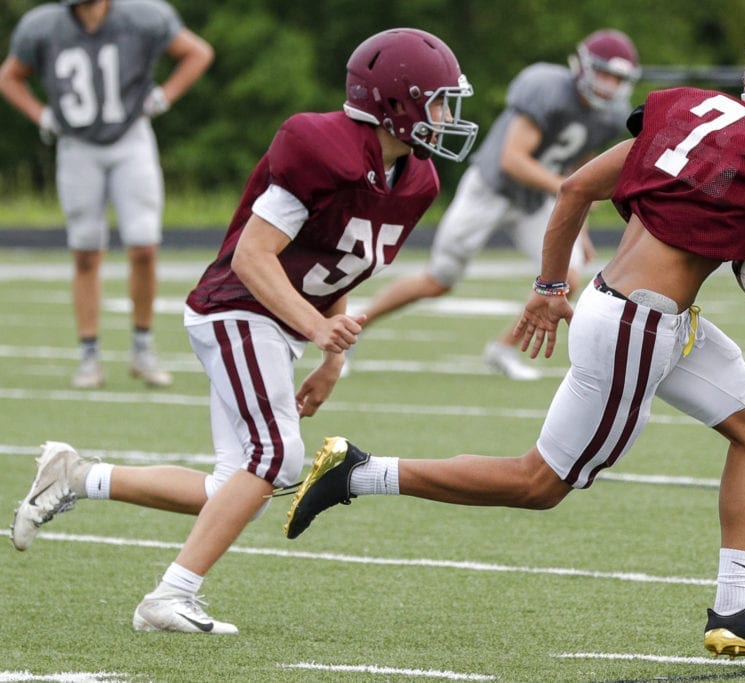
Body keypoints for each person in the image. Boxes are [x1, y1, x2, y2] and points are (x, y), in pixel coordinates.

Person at [281, 17, 745, 661]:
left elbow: (574, 189)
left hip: (636, 313)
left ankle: (735, 608)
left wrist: (549, 284)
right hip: (639, 327)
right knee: (539, 484)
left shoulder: (691, 108)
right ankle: (358, 474)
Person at [8, 27, 478, 635]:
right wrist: (317, 328)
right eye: (438, 100)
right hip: (236, 306)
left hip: (278, 321)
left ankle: (78, 477)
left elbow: (343, 267)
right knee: (278, 458)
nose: (446, 115)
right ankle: (170, 595)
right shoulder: (320, 145)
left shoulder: (417, 181)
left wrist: (330, 357)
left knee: (236, 488)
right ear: (396, 101)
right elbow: (254, 258)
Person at [350, 29, 641, 381]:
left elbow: (580, 166)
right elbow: (513, 160)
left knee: (562, 278)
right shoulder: (547, 87)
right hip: (491, 190)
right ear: (583, 65)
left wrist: (578, 225)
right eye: (605, 73)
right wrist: (570, 192)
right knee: (438, 280)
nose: (610, 85)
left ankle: (502, 349)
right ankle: (353, 328)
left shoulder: (611, 115)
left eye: (618, 78)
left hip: (535, 200)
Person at [0, 0, 213, 389]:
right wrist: (40, 114)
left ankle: (143, 347)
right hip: (77, 145)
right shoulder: (43, 25)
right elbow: (9, 76)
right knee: (84, 251)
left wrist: (165, 95)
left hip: (131, 138)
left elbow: (198, 52)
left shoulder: (143, 16)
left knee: (145, 245)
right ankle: (89, 354)